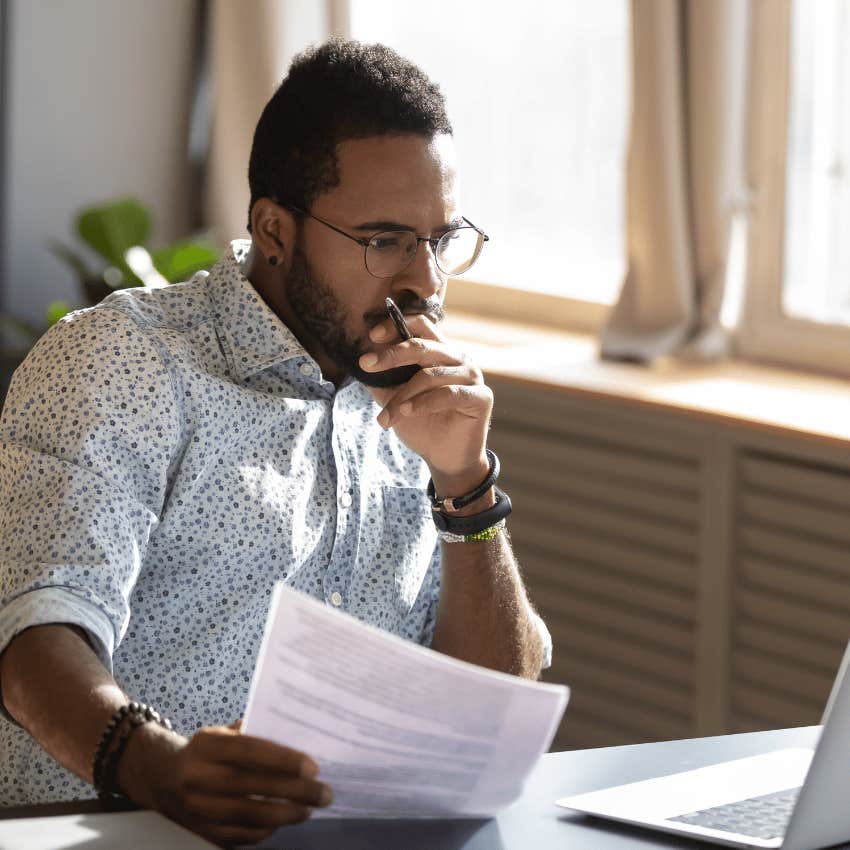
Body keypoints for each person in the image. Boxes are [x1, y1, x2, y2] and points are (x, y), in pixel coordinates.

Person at [0, 39, 551, 847]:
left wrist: (465, 485)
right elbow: (35, 636)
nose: (425, 281)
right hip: (105, 830)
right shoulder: (127, 361)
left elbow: (492, 703)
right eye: (385, 240)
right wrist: (156, 765)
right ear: (274, 229)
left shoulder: (415, 392)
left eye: (441, 240)